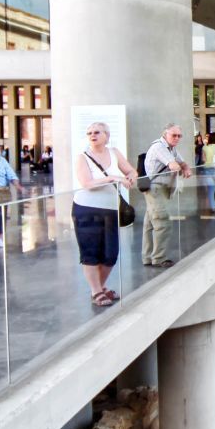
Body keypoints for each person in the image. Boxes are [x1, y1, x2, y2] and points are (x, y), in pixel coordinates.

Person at [73, 121, 135, 307]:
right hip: (86, 209)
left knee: (110, 253)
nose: (93, 135)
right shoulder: (82, 157)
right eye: (89, 132)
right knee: (91, 252)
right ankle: (96, 291)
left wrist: (131, 175)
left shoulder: (114, 152)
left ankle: (101, 286)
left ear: (106, 135)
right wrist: (112, 178)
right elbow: (87, 183)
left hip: (110, 210)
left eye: (97, 132)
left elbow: (131, 170)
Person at [142, 123, 193, 267]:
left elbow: (182, 162)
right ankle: (158, 258)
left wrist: (186, 167)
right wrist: (180, 168)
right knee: (162, 222)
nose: (177, 138)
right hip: (155, 189)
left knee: (150, 223)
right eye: (174, 135)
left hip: (161, 188)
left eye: (179, 136)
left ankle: (147, 257)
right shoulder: (159, 147)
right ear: (165, 134)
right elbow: (173, 164)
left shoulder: (171, 148)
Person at [197, 131, 215, 218]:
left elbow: (203, 159)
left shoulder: (204, 147)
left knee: (211, 189)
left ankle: (213, 207)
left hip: (208, 168)